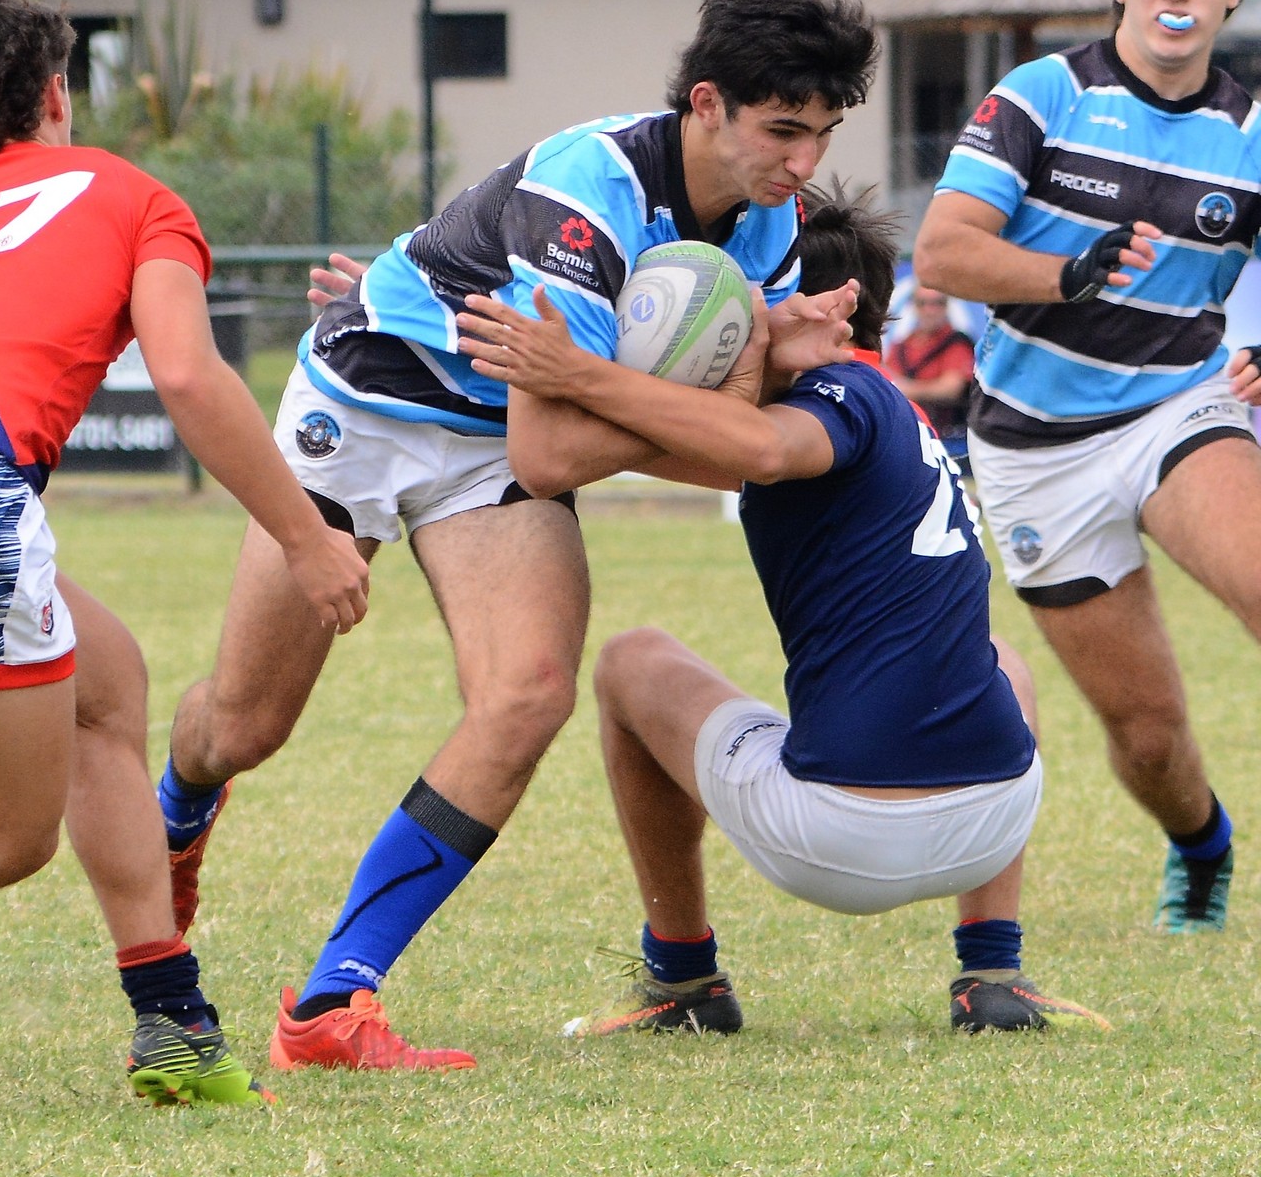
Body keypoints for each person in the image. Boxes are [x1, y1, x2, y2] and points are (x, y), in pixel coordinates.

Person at [155, 0, 874, 1070]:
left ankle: (333, 1004)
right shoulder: (587, 199)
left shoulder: (767, 229)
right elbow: (569, 450)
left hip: (493, 445)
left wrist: (732, 381)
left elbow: (702, 448)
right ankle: (179, 809)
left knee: (527, 692)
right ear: (705, 104)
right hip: (368, 406)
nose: (802, 164)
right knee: (245, 727)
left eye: (822, 135)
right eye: (783, 130)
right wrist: (704, 414)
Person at [0, 0, 369, 1104]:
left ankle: (172, 1024)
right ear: (58, 93)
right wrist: (305, 536)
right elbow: (185, 373)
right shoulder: (132, 196)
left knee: (105, 683)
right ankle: (172, 1026)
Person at [455, 181, 1107, 1034]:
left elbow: (759, 447)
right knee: (1002, 660)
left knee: (631, 662)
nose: (738, 315)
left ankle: (683, 982)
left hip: (838, 840)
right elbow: (604, 451)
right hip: (995, 815)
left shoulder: (842, 402)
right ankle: (992, 970)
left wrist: (579, 369)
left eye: (754, 292)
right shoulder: (893, 414)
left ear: (832, 310)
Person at [911, 0, 1261, 933]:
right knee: (1148, 738)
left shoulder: (1251, 128)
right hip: (1034, 453)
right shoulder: (1042, 97)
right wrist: (1068, 272)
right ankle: (1200, 845)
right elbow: (944, 250)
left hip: (1179, 408)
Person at [882, 285, 975, 459]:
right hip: (908, 438)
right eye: (922, 303)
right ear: (913, 307)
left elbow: (951, 389)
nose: (930, 310)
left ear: (947, 307)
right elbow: (886, 384)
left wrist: (906, 389)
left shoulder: (957, 343)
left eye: (937, 303)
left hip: (951, 444)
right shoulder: (901, 346)